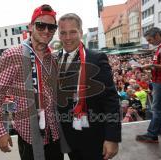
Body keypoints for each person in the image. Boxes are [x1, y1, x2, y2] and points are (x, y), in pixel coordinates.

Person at [0, 4, 67, 160]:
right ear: (31, 26)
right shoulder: (13, 54)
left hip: (54, 135)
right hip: (29, 137)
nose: (46, 31)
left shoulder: (54, 57)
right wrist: (0, 131)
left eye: (51, 27)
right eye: (41, 25)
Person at [56, 13, 121, 160]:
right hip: (68, 137)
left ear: (80, 32)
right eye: (63, 33)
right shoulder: (55, 59)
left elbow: (110, 100)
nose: (67, 37)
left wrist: (112, 137)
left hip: (93, 137)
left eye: (72, 32)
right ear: (58, 35)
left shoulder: (96, 58)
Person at [136, 27, 161, 143]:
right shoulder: (160, 47)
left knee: (157, 109)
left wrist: (153, 66)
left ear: (157, 35)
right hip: (159, 82)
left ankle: (152, 135)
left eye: (150, 40)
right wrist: (151, 68)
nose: (148, 42)